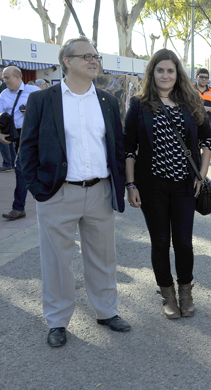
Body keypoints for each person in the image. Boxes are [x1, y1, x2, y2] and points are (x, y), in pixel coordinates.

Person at [19, 36, 130, 348]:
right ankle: (57, 321)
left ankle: (107, 311)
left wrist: (120, 184)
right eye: (86, 56)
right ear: (67, 61)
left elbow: (117, 147)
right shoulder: (43, 100)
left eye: (96, 56)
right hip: (58, 193)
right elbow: (27, 149)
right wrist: (39, 190)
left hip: (99, 191)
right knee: (56, 262)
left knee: (103, 257)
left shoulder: (107, 101)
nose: (94, 61)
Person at [124, 49, 211, 319]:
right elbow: (128, 148)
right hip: (152, 186)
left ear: (177, 74)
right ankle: (168, 294)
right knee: (160, 242)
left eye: (170, 71)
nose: (165, 75)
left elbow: (207, 140)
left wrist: (201, 175)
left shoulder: (191, 102)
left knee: (183, 242)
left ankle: (186, 292)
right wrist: (131, 184)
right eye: (160, 70)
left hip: (185, 185)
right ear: (152, 73)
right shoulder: (139, 105)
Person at [0, 66, 41, 219]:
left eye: (7, 77)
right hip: (17, 135)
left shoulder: (34, 91)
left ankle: (20, 207)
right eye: (3, 78)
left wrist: (29, 111)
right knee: (21, 169)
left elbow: (46, 110)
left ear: (17, 77)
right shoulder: (4, 94)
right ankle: (19, 207)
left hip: (35, 133)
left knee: (27, 168)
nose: (4, 80)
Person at [193, 68, 211, 159]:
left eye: (206, 78)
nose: (204, 79)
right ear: (196, 77)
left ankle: (204, 168)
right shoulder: (189, 90)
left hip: (207, 126)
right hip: (192, 125)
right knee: (193, 152)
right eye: (201, 77)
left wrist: (208, 109)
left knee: (205, 154)